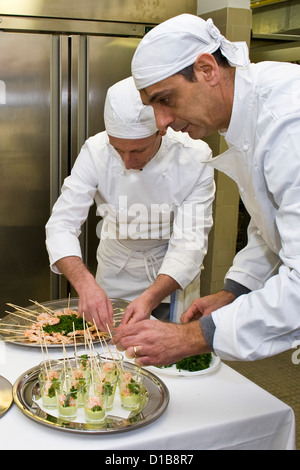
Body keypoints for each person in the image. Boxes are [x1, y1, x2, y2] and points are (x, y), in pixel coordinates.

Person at [112, 14, 300, 364]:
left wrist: (194, 336)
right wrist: (235, 291)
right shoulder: (247, 115)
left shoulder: (287, 124)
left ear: (207, 70)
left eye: (165, 100)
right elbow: (270, 225)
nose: (162, 122)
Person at [45, 76, 215, 333]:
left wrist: (150, 297)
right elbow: (62, 224)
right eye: (118, 149)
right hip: (115, 271)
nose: (127, 162)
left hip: (169, 275)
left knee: (164, 354)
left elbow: (189, 244)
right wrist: (85, 284)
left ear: (161, 130)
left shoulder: (194, 158)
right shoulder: (95, 151)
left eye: (137, 151)